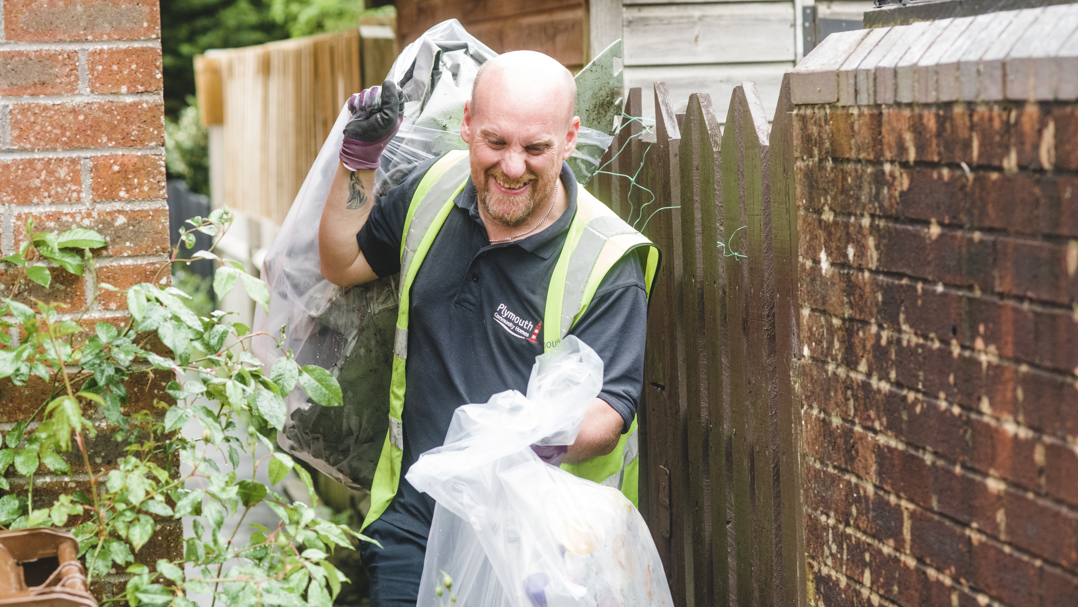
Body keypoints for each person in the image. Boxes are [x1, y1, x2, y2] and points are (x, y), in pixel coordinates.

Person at [317, 50, 657, 606]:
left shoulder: (605, 259)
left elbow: (609, 413)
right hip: (412, 528)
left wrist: (521, 431)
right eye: (496, 143)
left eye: (535, 148)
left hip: (531, 553)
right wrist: (357, 161)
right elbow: (342, 264)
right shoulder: (433, 190)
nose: (513, 166)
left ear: (569, 138)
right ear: (468, 123)